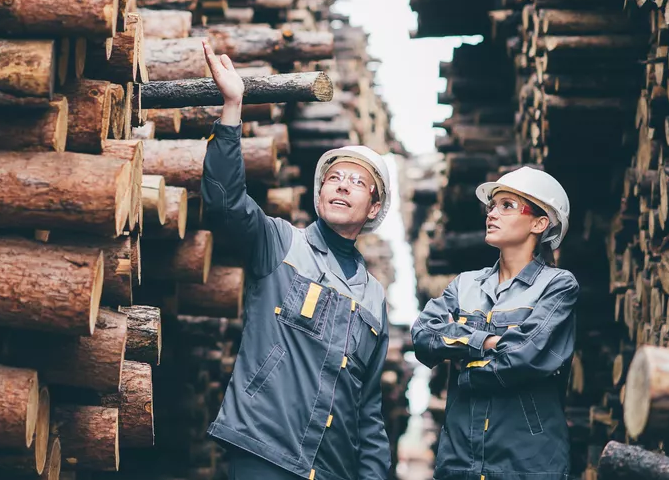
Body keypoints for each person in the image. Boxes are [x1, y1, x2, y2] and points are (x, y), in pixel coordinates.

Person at [199, 40, 392, 480]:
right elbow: (226, 203)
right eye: (334, 178)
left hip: (332, 471)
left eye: (356, 183)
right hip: (264, 453)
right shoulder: (281, 244)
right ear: (319, 193)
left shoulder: (375, 300)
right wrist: (232, 107)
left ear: (374, 207)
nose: (341, 186)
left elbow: (369, 410)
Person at [411, 166, 577, 480]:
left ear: (540, 223)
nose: (492, 214)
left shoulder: (558, 286)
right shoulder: (465, 285)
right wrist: (486, 342)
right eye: (491, 206)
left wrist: (465, 367)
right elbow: (423, 336)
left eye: (507, 206)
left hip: (528, 464)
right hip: (460, 461)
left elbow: (523, 357)